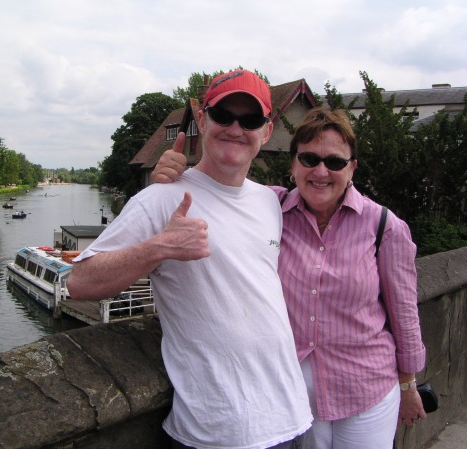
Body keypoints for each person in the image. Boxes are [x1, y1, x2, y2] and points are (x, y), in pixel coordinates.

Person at [151, 106, 426, 449]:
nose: (321, 171)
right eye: (309, 159)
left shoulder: (384, 226)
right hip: (292, 394)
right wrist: (172, 179)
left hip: (366, 387)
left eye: (335, 162)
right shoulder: (269, 207)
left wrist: (408, 385)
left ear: (352, 167)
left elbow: (404, 314)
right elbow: (217, 192)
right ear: (294, 165)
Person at [67, 70, 314, 449]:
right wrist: (158, 247)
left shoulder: (270, 201)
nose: (235, 128)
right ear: (202, 120)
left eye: (250, 120)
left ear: (266, 131)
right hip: (219, 432)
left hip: (293, 417)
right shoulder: (160, 199)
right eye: (222, 115)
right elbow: (79, 282)